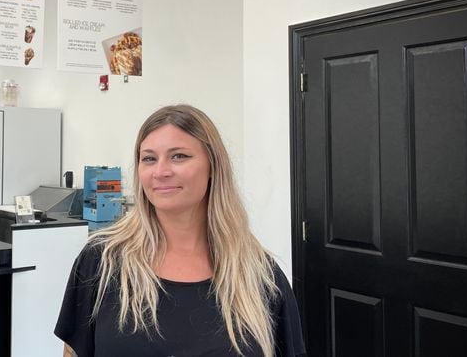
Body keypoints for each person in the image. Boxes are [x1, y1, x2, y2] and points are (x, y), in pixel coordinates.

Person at [54, 105, 305, 357]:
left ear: (213, 167)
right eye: (149, 158)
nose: (161, 171)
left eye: (179, 156)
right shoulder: (101, 262)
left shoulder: (260, 276)